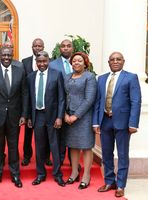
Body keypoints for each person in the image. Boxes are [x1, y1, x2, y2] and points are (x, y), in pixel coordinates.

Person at [93, 52, 141, 198]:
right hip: (105, 120)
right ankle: (109, 181)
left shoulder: (131, 77)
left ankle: (120, 185)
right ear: (108, 62)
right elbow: (98, 102)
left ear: (123, 61)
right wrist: (95, 121)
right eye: (112, 59)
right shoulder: (101, 79)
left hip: (123, 123)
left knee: (122, 154)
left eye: (118, 59)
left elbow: (136, 101)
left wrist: (133, 123)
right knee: (106, 154)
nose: (115, 61)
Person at [0, 46, 28, 188]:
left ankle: (15, 174)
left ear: (12, 55)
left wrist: (24, 114)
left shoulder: (20, 71)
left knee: (13, 147)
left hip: (15, 116)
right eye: (4, 55)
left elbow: (24, 94)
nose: (6, 58)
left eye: (9, 55)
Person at [27, 51, 66, 187]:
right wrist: (29, 117)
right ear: (36, 62)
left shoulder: (57, 74)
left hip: (53, 116)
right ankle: (40, 174)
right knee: (39, 146)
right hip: (37, 115)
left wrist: (60, 117)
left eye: (44, 61)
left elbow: (61, 98)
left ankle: (57, 174)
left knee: (54, 146)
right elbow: (28, 99)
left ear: (48, 61)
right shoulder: (31, 77)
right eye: (39, 62)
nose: (42, 64)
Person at [63, 52, 97, 189]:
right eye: (74, 61)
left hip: (83, 117)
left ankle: (86, 175)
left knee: (86, 146)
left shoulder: (90, 77)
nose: (76, 63)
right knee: (73, 145)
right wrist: (65, 114)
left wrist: (75, 116)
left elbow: (89, 99)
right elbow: (63, 96)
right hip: (68, 116)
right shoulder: (66, 76)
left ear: (85, 63)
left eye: (79, 61)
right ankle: (74, 172)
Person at [21, 38, 52, 167]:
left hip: (45, 104)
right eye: (35, 46)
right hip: (30, 103)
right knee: (28, 134)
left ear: (43, 47)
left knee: (46, 134)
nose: (38, 48)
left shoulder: (50, 63)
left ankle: (46, 157)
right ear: (32, 47)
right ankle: (27, 156)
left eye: (40, 46)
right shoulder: (25, 62)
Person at [49, 39, 74, 165]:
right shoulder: (52, 64)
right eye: (63, 46)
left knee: (73, 134)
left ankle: (73, 160)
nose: (66, 48)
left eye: (68, 46)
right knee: (60, 135)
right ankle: (59, 159)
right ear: (60, 49)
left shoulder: (79, 62)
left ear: (72, 48)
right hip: (58, 105)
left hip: (75, 106)